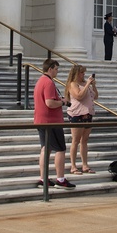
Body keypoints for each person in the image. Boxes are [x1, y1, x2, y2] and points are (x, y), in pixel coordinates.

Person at [33, 58, 75, 188]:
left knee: (46, 149)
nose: (57, 72)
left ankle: (43, 178)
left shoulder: (40, 81)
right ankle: (60, 179)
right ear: (50, 68)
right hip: (51, 121)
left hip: (41, 120)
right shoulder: (48, 82)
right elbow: (50, 103)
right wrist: (63, 102)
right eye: (56, 69)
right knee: (60, 149)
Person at [66, 64, 98, 175]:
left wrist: (93, 85)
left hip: (88, 113)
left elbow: (95, 96)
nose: (83, 75)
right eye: (81, 73)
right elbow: (79, 96)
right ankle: (73, 165)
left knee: (84, 140)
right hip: (77, 114)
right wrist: (88, 84)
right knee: (76, 140)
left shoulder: (85, 84)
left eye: (84, 72)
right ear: (76, 73)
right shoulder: (73, 84)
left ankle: (85, 164)